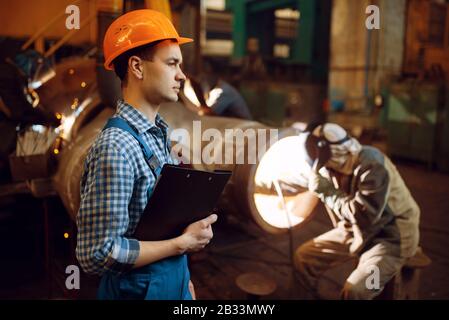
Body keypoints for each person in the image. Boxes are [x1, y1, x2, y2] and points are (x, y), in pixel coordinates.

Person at [76, 9, 217, 300]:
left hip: (171, 283)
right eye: (172, 63)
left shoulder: (158, 134)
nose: (181, 75)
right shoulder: (116, 147)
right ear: (137, 67)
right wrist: (182, 244)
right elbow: (97, 253)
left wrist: (183, 280)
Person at [293, 123, 420, 299]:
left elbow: (363, 215)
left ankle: (373, 281)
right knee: (303, 258)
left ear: (328, 154)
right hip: (355, 231)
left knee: (358, 290)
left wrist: (327, 192)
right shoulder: (335, 164)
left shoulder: (373, 166)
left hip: (391, 240)